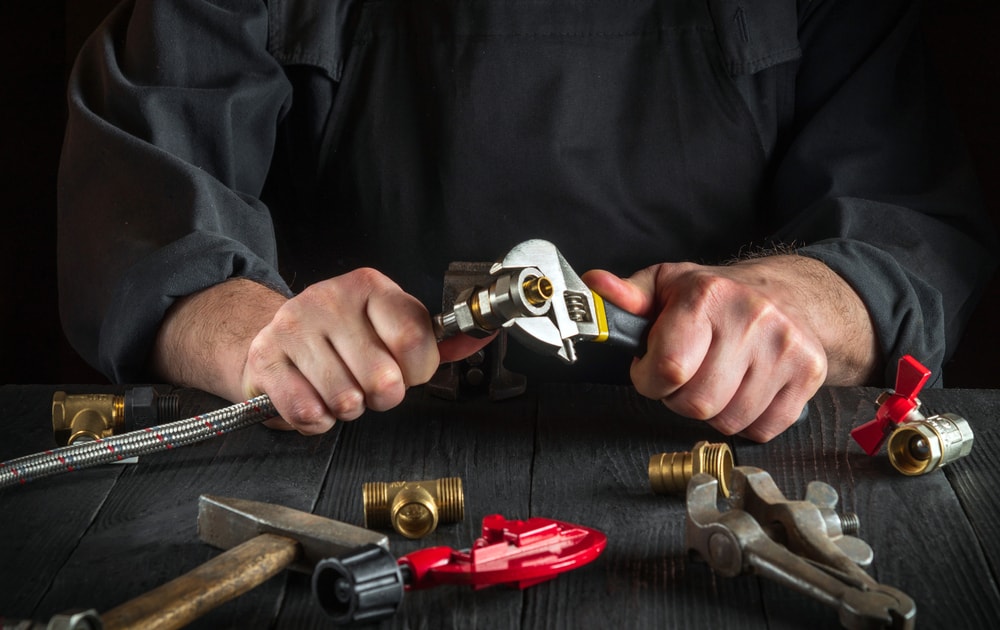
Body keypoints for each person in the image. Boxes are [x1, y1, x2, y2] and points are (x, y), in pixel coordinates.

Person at [58, 0, 996, 442]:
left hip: (716, 465)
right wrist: (259, 334)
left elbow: (900, 216)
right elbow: (144, 195)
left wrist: (791, 305)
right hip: (330, 453)